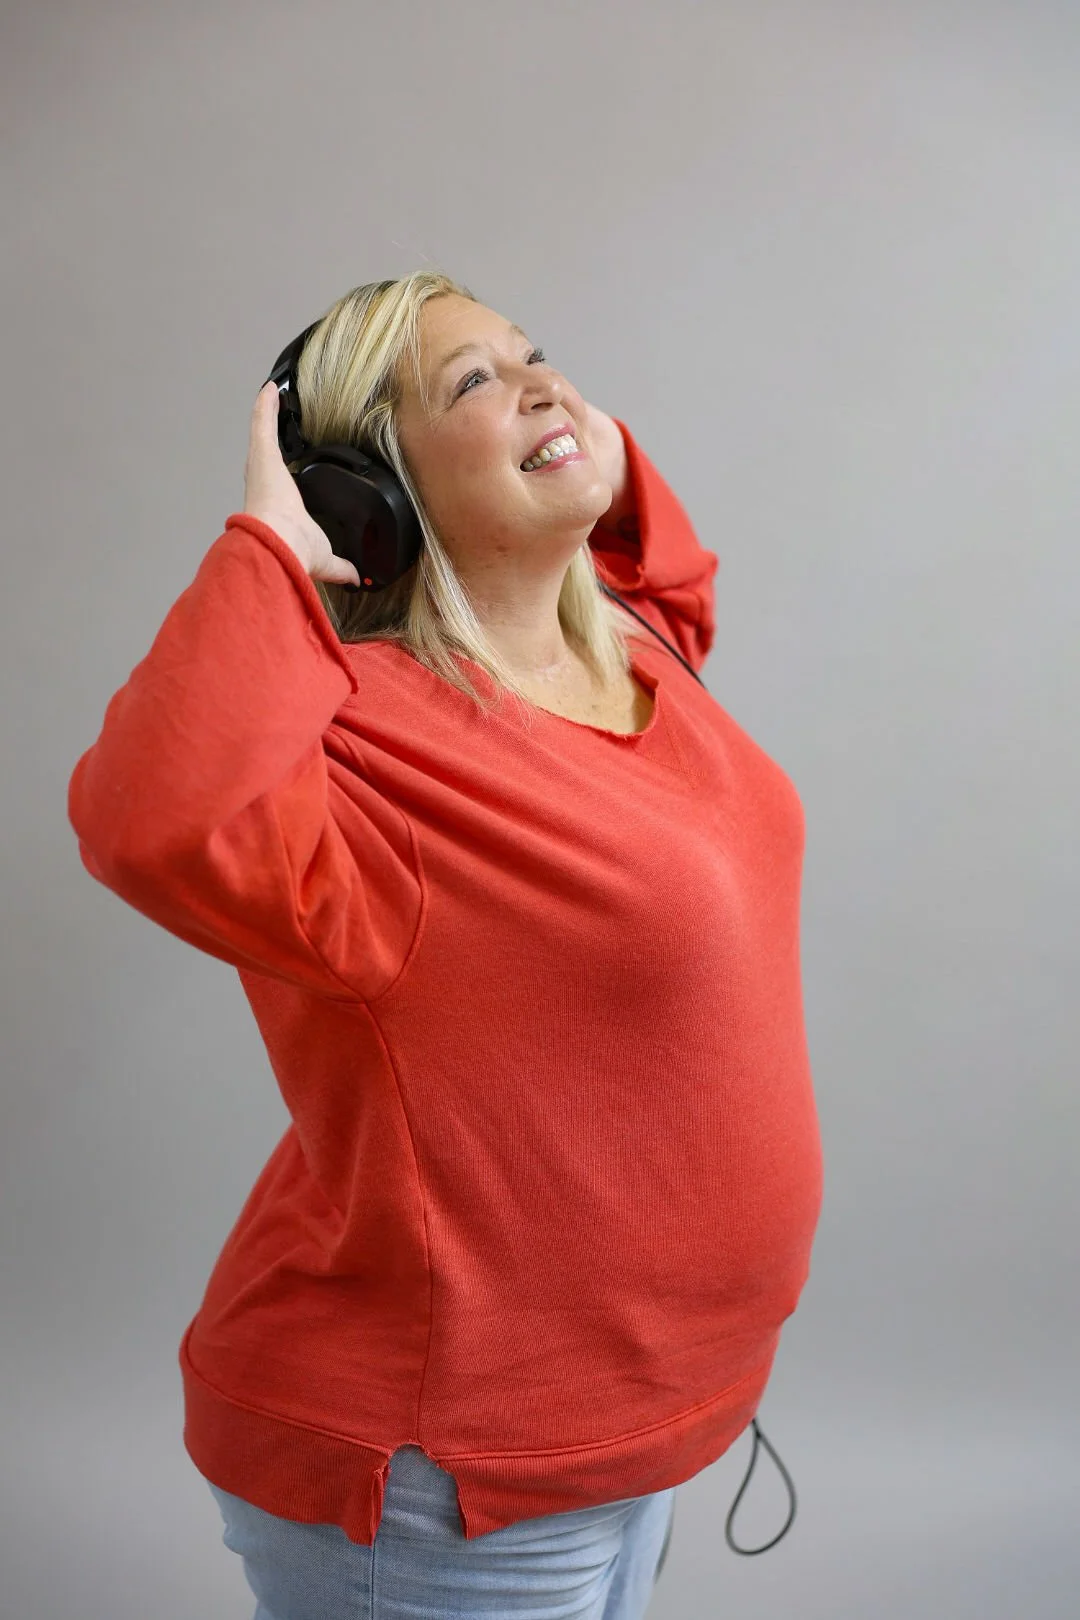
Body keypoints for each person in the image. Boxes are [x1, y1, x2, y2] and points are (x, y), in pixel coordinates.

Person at [67, 270, 824, 1619]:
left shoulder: (634, 649)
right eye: (473, 382)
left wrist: (555, 427)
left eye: (539, 355)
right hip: (441, 1478)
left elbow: (669, 566)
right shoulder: (357, 743)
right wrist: (274, 549)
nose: (541, 384)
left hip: (626, 1439)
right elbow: (151, 822)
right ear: (374, 491)